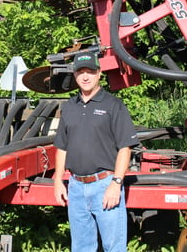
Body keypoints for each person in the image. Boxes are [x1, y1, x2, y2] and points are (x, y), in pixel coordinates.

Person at [53, 51, 139, 252]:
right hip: (75, 188)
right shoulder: (69, 107)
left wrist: (116, 183)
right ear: (74, 75)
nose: (85, 77)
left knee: (114, 247)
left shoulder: (113, 105)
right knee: (82, 247)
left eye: (90, 72)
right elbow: (62, 147)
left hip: (104, 186)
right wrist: (58, 180)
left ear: (99, 73)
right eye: (80, 72)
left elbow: (125, 148)